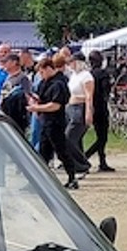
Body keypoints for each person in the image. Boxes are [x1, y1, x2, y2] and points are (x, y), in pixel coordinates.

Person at [29, 54, 83, 189]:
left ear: (48, 68)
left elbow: (55, 105)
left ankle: (72, 177)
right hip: (45, 122)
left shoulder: (59, 83)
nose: (41, 75)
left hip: (55, 123)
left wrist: (37, 107)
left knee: (61, 151)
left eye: (42, 72)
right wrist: (33, 99)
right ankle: (39, 180)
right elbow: (40, 96)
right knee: (43, 153)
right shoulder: (44, 82)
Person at [64, 51, 94, 177]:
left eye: (72, 62)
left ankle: (82, 164)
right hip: (71, 107)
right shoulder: (74, 75)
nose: (70, 64)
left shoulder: (86, 76)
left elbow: (89, 95)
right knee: (76, 140)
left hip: (80, 107)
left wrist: (89, 111)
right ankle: (78, 166)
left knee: (68, 138)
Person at [83, 50, 115, 171]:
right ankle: (87, 155)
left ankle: (102, 161)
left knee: (99, 135)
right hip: (101, 107)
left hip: (92, 107)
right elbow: (106, 91)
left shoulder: (89, 74)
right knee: (103, 137)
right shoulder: (103, 74)